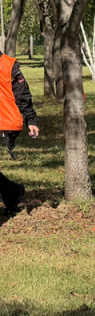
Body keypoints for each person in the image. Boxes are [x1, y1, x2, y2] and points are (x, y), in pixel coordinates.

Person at [0, 51, 39, 213]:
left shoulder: (8, 64)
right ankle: (13, 192)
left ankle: (12, 192)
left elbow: (22, 93)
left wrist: (31, 119)